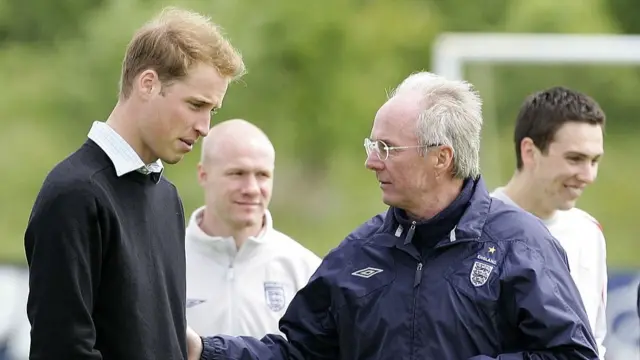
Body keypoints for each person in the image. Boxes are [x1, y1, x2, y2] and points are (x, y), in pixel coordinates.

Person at [185, 72, 599, 360]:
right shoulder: (358, 254)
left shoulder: (519, 244)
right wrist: (205, 351)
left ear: (441, 158)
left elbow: (571, 355)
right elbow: (299, 353)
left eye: (385, 148)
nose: (370, 161)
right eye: (371, 145)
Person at [23, 6, 245, 360]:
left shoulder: (166, 196)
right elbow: (62, 350)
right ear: (148, 83)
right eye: (195, 104)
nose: (205, 126)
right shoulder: (75, 195)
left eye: (212, 111)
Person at [490, 86, 608, 357]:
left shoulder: (588, 233)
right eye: (575, 159)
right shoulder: (475, 228)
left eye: (594, 160)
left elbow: (593, 343)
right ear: (530, 151)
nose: (588, 175)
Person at [185, 119, 321, 338]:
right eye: (237, 174)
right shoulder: (166, 263)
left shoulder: (306, 270)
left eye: (262, 175)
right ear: (203, 175)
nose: (251, 188)